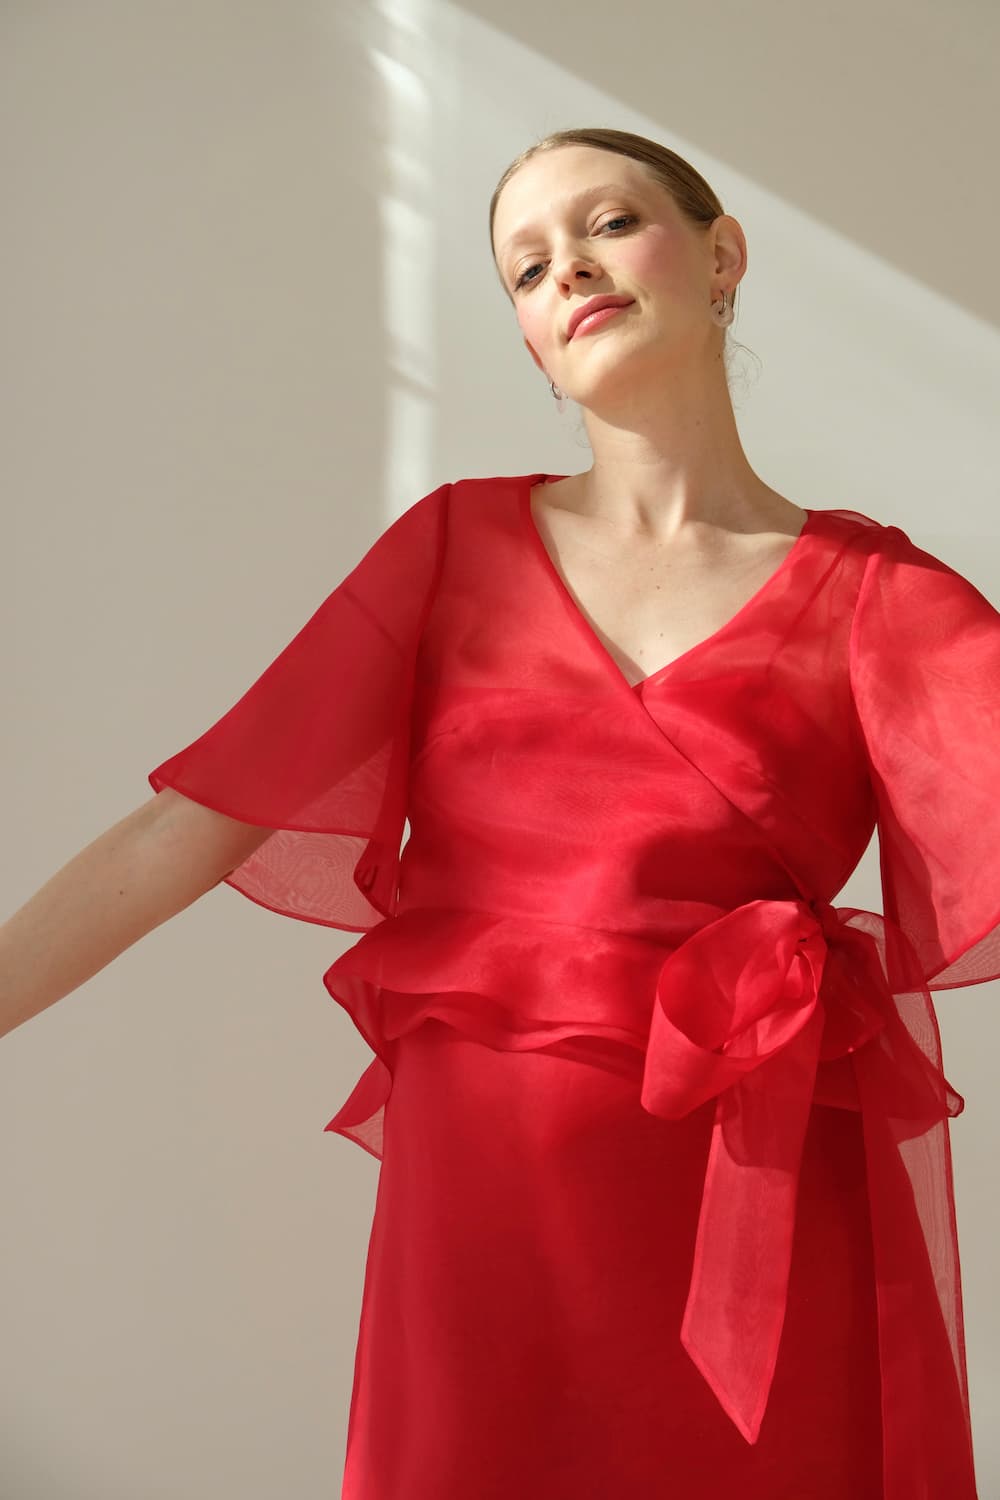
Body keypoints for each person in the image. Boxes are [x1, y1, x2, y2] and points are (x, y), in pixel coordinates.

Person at [2, 126, 996, 1499]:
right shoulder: (450, 551)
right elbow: (187, 827)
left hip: (756, 1218)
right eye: (528, 268)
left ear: (723, 257)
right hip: (485, 1226)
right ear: (529, 341)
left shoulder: (876, 594)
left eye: (608, 225)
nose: (569, 268)